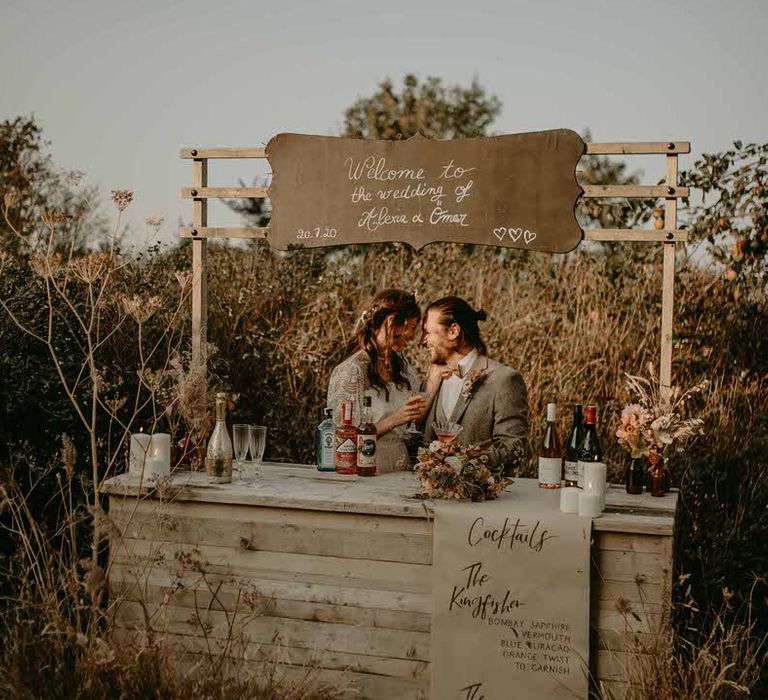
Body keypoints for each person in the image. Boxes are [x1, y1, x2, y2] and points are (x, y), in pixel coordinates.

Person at [421, 296, 528, 473]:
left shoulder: (504, 379)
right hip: (431, 497)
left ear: (453, 331)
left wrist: (465, 461)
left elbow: (513, 447)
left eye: (428, 332)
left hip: (482, 498)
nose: (424, 340)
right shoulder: (432, 378)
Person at [327, 289, 428, 472]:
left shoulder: (402, 365)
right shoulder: (352, 371)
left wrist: (437, 373)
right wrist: (395, 419)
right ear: (391, 323)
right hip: (368, 465)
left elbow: (419, 404)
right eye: (411, 328)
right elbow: (345, 439)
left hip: (400, 463)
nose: (412, 337)